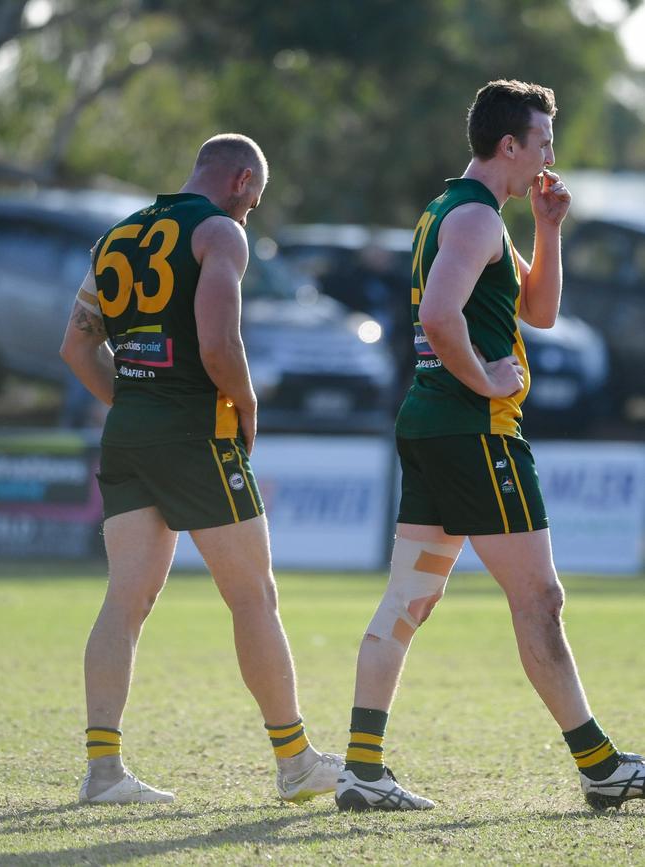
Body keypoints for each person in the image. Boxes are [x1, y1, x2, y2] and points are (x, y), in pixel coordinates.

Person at [334, 80, 645, 812]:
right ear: (509, 145)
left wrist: (550, 227)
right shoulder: (473, 219)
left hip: (433, 425)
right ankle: (601, 765)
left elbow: (539, 311)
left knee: (409, 599)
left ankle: (361, 768)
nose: (550, 154)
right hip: (474, 431)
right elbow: (442, 320)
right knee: (540, 597)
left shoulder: (466, 212)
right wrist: (485, 383)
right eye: (542, 140)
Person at [60, 133, 342, 805]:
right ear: (242, 181)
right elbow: (219, 342)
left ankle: (103, 771)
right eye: (256, 202)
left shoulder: (115, 238)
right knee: (253, 595)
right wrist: (245, 404)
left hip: (127, 432)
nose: (251, 215)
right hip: (196, 430)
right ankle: (295, 759)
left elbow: (75, 347)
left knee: (125, 599)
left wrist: (134, 406)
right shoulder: (220, 232)